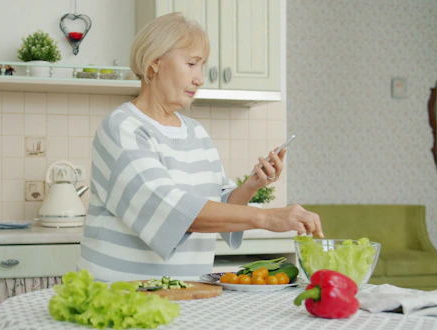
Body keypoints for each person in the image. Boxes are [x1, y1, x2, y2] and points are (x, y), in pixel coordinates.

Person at [77, 12, 323, 282]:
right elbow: (171, 210)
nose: (200, 79)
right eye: (192, 64)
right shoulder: (123, 127)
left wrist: (251, 185)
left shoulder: (196, 132)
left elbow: (220, 206)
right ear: (154, 63)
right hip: (121, 295)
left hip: (186, 294)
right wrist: (267, 218)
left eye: (202, 66)